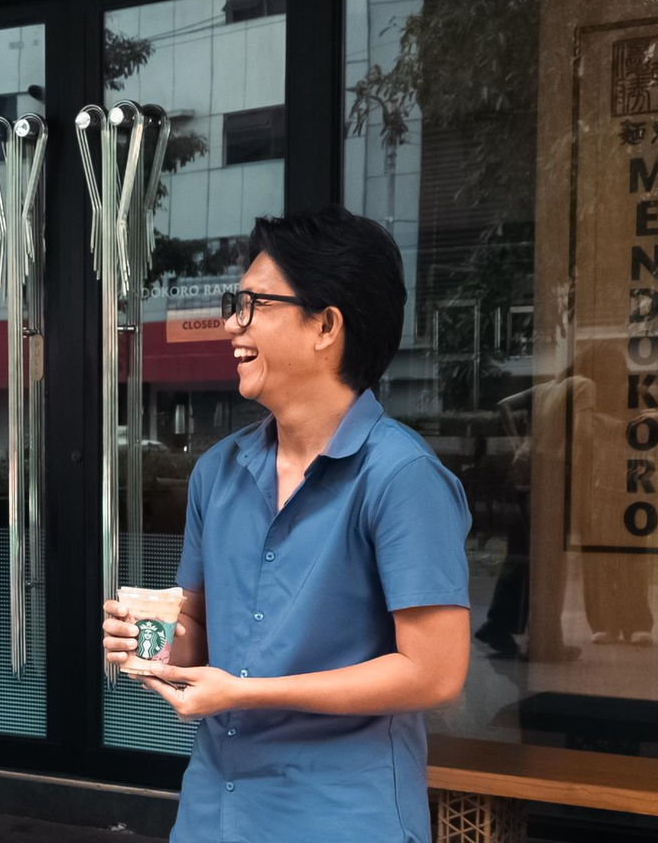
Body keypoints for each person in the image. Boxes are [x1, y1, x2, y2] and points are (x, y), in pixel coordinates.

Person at [103, 210, 471, 843]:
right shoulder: (218, 472)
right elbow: (199, 634)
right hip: (214, 813)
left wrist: (244, 693)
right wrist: (150, 640)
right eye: (235, 304)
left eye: (253, 304)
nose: (231, 323)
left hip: (341, 819)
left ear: (325, 325)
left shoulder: (402, 477)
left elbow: (434, 673)